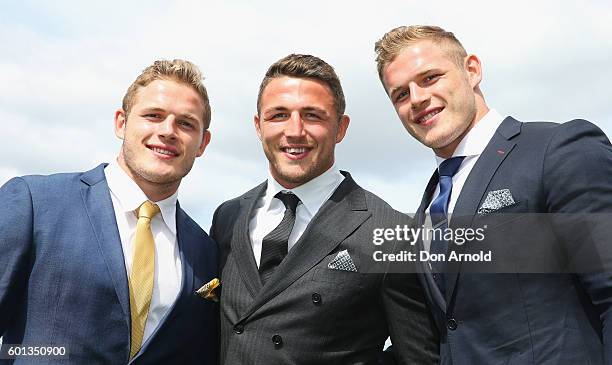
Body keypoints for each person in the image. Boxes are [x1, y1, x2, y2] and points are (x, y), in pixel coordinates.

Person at [375, 25, 612, 364]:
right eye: (400, 94)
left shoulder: (559, 150)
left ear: (472, 70)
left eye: (430, 78)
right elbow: (446, 335)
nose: (417, 99)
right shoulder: (427, 209)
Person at [210, 54, 438, 364]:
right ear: (258, 126)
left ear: (341, 128)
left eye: (313, 116)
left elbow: (419, 357)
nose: (294, 131)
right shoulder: (227, 217)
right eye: (278, 115)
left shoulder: (390, 233)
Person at [0, 59, 218, 364]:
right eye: (153, 115)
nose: (168, 131)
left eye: (186, 123)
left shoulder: (206, 252)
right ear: (121, 122)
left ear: (202, 143)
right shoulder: (34, 203)